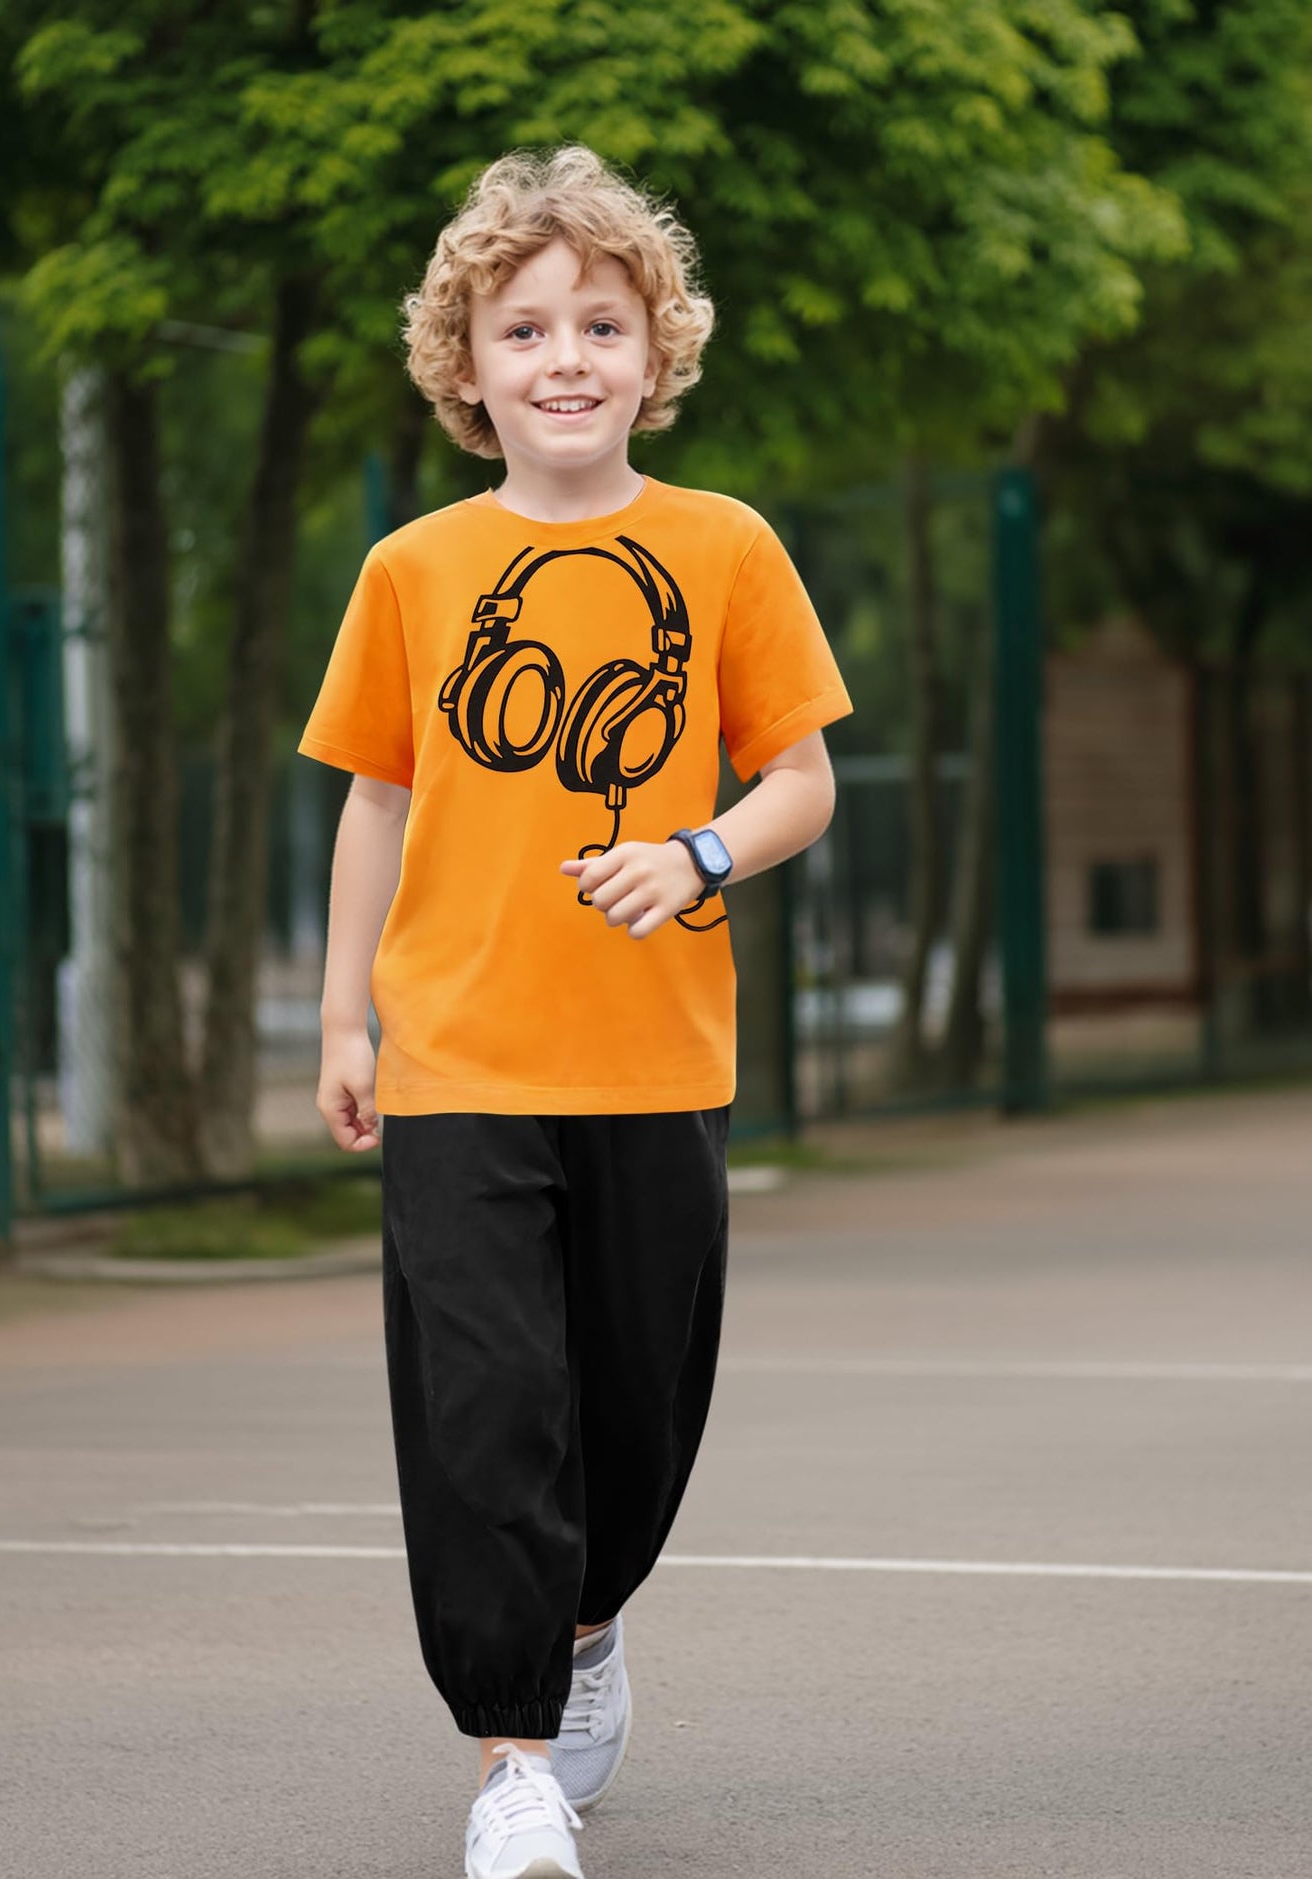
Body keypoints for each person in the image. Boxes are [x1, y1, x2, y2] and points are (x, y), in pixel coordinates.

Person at [299, 144, 853, 1879]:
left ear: (652, 355)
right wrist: (340, 1024)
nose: (561, 355)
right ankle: (512, 1763)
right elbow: (373, 802)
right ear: (465, 366)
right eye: (521, 326)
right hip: (459, 1056)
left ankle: (590, 1618)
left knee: (633, 1407)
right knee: (484, 1413)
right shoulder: (410, 569)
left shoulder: (724, 546)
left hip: (653, 1059)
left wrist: (695, 851)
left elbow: (803, 779)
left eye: (598, 324)